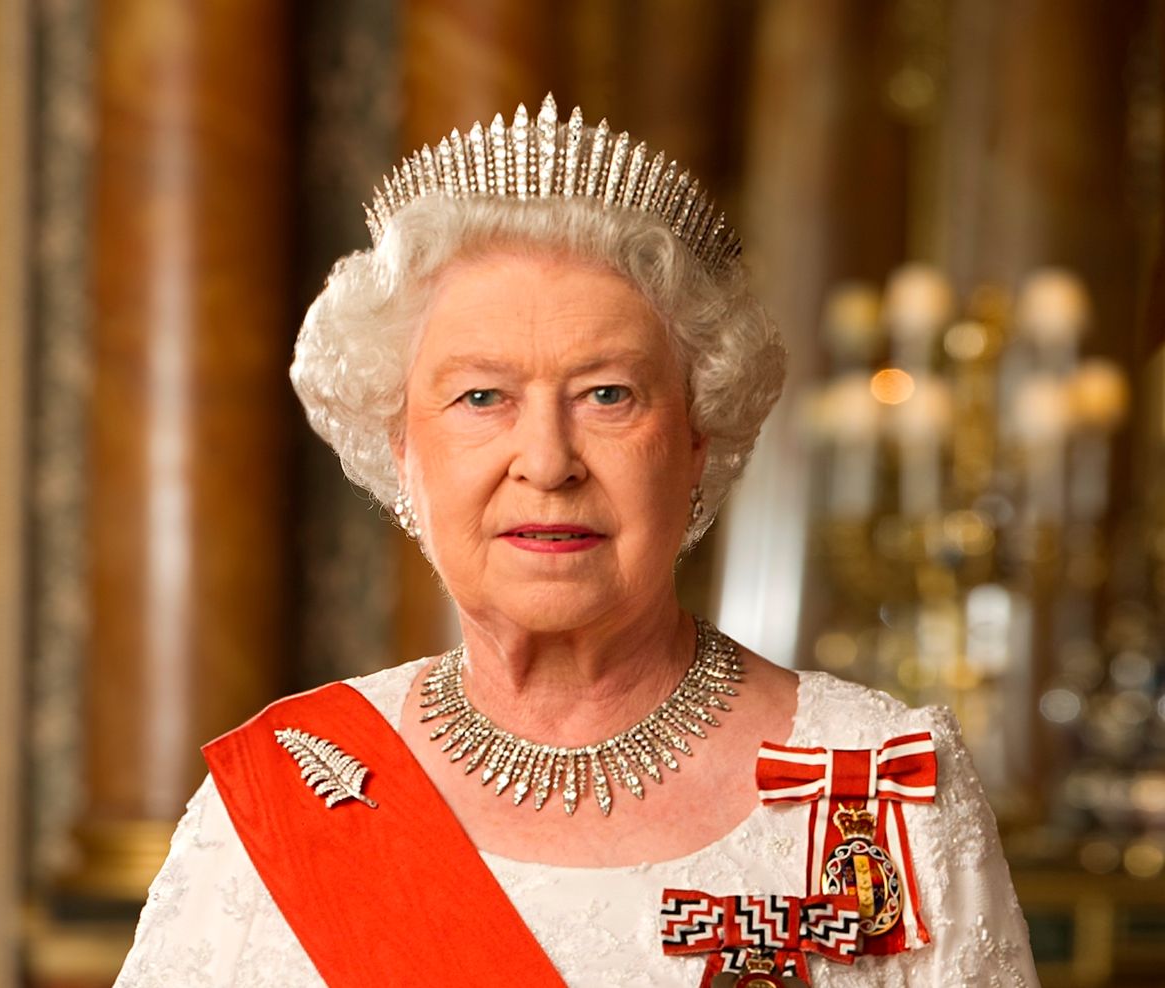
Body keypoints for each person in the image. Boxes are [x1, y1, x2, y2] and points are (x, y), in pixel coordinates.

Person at [115, 95, 1039, 987]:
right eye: (482, 397)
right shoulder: (286, 797)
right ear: (403, 452)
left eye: (608, 394)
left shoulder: (879, 783)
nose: (548, 462)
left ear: (695, 444)